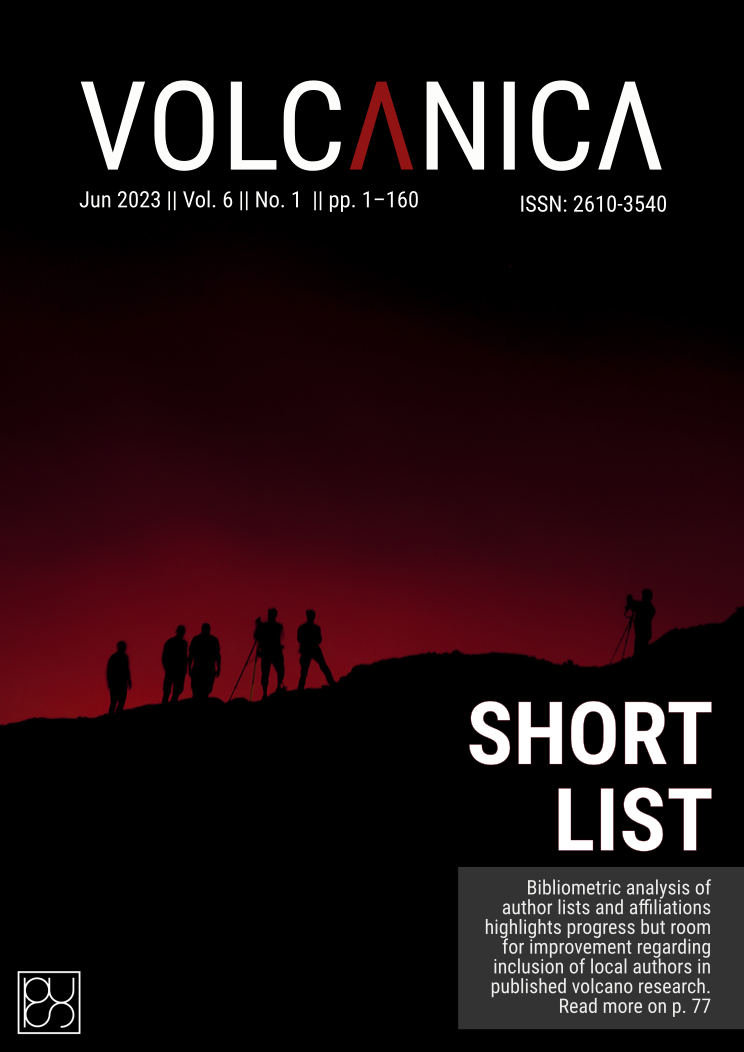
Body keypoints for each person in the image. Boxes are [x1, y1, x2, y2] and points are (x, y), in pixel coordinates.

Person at [297, 610, 335, 690]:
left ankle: (300, 687)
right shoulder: (311, 628)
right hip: (309, 650)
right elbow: (300, 639)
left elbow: (300, 639)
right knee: (306, 670)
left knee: (319, 666)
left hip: (310, 650)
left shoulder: (306, 628)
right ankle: (332, 682)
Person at [254, 608, 285, 699]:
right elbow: (257, 636)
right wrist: (258, 626)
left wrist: (258, 626)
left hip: (269, 651)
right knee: (267, 672)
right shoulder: (277, 626)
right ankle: (266, 692)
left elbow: (257, 636)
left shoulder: (276, 626)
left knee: (278, 671)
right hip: (272, 651)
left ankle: (275, 688)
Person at [188, 623, 221, 700]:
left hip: (203, 668)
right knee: (199, 689)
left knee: (204, 689)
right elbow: (191, 655)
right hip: (202, 668)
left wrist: (189, 668)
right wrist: (218, 667)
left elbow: (217, 655)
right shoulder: (212, 640)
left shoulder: (197, 639)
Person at [625, 589, 656, 657]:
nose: (643, 597)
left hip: (643, 633)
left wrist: (630, 602)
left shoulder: (646, 607)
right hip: (644, 633)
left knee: (639, 650)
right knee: (641, 649)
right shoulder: (649, 608)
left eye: (644, 596)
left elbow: (635, 604)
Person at [162, 625, 187, 704]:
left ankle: (170, 701)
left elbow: (184, 656)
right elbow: (165, 655)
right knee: (169, 687)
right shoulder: (180, 643)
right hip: (174, 668)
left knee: (175, 688)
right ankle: (167, 701)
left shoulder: (180, 643)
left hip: (176, 668)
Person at [107, 640, 131, 715]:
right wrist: (110, 682)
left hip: (122, 682)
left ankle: (117, 714)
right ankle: (111, 715)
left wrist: (129, 680)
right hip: (116, 683)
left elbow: (127, 669)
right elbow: (109, 671)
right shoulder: (114, 657)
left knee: (121, 701)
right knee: (114, 701)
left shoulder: (124, 657)